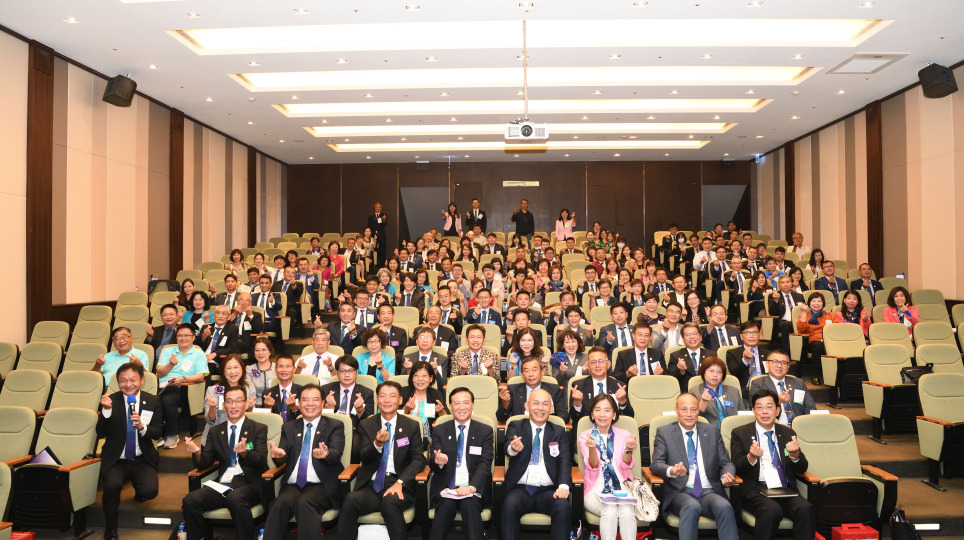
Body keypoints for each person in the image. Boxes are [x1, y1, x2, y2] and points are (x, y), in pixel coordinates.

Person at [337, 381, 426, 540]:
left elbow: (419, 459)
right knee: (350, 499)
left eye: (392, 396)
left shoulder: (411, 425)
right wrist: (377, 444)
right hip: (371, 485)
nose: (387, 400)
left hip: (398, 484)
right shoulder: (367, 424)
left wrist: (400, 482)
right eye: (383, 396)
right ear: (377, 399)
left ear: (400, 400)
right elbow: (364, 457)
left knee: (389, 502)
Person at [182, 386, 268, 540]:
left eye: (238, 401)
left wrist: (245, 453)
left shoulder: (258, 428)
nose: (234, 406)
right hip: (224, 483)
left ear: (246, 404)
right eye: (229, 401)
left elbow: (261, 460)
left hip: (249, 483)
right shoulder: (215, 431)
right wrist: (197, 453)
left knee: (235, 497)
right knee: (191, 500)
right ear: (224, 405)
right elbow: (205, 462)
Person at [651, 393, 739, 540]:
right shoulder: (665, 432)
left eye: (693, 409)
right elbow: (656, 464)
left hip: (708, 491)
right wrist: (672, 471)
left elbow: (726, 462)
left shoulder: (711, 431)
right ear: (676, 410)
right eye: (684, 409)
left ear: (698, 411)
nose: (689, 414)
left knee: (724, 506)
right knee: (691, 506)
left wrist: (726, 474)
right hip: (680, 492)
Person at [263, 384, 345, 540]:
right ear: (299, 403)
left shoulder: (335, 426)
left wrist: (326, 454)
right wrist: (277, 456)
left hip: (321, 485)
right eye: (305, 400)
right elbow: (282, 457)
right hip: (293, 485)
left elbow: (336, 454)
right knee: (279, 503)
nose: (310, 404)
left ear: (323, 403)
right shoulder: (288, 427)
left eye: (315, 399)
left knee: (305, 502)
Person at [730, 389, 815, 540]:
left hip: (785, 489)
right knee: (771, 510)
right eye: (760, 407)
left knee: (805, 508)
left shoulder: (788, 433)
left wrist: (795, 455)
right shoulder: (740, 433)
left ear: (777, 411)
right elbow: (736, 466)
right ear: (753, 410)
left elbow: (802, 468)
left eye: (769, 407)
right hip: (756, 489)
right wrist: (751, 457)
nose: (764, 411)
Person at [97, 362, 162, 540]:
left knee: (149, 491)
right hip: (117, 459)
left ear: (142, 380)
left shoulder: (153, 401)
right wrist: (106, 411)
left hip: (142, 458)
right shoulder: (110, 400)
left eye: (133, 380)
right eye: (123, 381)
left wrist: (142, 427)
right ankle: (110, 528)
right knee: (111, 487)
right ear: (118, 382)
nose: (128, 384)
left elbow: (158, 432)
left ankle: (139, 488)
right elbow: (100, 432)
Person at [502, 388, 572, 540]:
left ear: (551, 408)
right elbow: (508, 448)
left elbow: (565, 460)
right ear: (527, 406)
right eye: (535, 403)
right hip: (521, 489)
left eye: (545, 404)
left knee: (563, 506)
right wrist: (513, 448)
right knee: (509, 505)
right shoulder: (516, 425)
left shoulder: (558, 431)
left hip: (549, 490)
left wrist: (563, 486)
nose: (540, 408)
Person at [428, 387, 493, 540]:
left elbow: (485, 463)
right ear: (451, 406)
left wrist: (471, 487)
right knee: (446, 505)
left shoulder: (485, 431)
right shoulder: (440, 430)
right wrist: (439, 462)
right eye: (457, 403)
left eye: (466, 403)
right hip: (447, 488)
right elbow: (433, 461)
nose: (461, 407)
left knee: (469, 504)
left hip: (472, 487)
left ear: (473, 405)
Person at [578, 394, 638, 540]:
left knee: (627, 511)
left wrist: (629, 449)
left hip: (622, 489)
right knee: (610, 510)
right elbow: (593, 466)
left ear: (614, 414)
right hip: (595, 490)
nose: (602, 414)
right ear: (592, 414)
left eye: (607, 410)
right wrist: (592, 448)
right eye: (598, 410)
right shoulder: (585, 436)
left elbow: (625, 465)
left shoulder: (624, 435)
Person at [155, 324, 208, 448]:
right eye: (180, 335)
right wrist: (171, 364)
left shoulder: (198, 353)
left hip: (184, 388)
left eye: (186, 335)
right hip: (162, 386)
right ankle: (157, 435)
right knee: (150, 400)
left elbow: (200, 376)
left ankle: (172, 434)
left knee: (167, 400)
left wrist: (183, 379)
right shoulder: (167, 351)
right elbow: (159, 373)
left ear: (193, 337)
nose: (183, 338)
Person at [321, 356, 375, 463]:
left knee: (356, 448)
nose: (347, 375)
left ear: (356, 372)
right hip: (330, 429)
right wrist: (329, 408)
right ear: (337, 373)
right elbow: (317, 416)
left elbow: (370, 422)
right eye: (342, 371)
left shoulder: (366, 392)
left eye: (350, 371)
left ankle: (352, 471)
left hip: (354, 431)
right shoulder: (326, 389)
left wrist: (360, 410)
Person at [749, 351, 816, 425]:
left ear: (788, 367)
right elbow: (755, 408)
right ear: (767, 364)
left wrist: (807, 424)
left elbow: (811, 407)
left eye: (783, 363)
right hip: (773, 425)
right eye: (775, 362)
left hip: (798, 425)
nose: (779, 366)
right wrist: (777, 401)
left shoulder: (798, 382)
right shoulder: (758, 383)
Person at [570, 347, 633, 423]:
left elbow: (630, 417)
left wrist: (622, 402)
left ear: (608, 364)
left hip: (613, 427)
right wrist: (577, 403)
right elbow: (574, 418)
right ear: (588, 366)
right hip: (587, 427)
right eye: (593, 362)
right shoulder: (578, 386)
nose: (597, 365)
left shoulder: (619, 386)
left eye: (601, 361)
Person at [202, 355, 256, 443]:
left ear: (242, 369)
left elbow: (251, 418)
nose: (233, 371)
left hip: (242, 436)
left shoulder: (249, 387)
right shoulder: (213, 390)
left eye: (236, 367)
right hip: (217, 437)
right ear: (223, 371)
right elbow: (210, 421)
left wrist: (250, 407)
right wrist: (212, 407)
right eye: (228, 368)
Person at [498, 356, 569, 423]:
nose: (531, 374)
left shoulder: (553, 389)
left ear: (542, 373)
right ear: (522, 375)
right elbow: (501, 418)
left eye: (534, 370)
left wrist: (543, 423)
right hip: (520, 430)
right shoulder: (513, 390)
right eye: (526, 371)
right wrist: (505, 403)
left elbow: (564, 416)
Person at [401, 361, 447, 440]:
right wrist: (406, 409)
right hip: (405, 437)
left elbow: (447, 420)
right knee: (400, 445)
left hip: (428, 439)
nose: (420, 379)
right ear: (412, 378)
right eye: (416, 375)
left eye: (424, 376)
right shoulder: (404, 392)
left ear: (431, 378)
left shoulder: (435, 395)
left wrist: (441, 412)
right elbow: (392, 418)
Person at [692, 356, 744, 427]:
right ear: (703, 372)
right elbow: (693, 418)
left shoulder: (734, 391)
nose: (715, 375)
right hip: (707, 430)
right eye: (711, 371)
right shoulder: (694, 392)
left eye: (719, 372)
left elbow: (742, 415)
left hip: (733, 429)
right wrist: (703, 402)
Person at [795, 292, 835, 380]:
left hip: (829, 341)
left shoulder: (830, 315)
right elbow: (801, 330)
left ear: (823, 303)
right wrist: (803, 312)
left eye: (819, 301)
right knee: (818, 345)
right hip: (812, 342)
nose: (816, 303)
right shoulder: (805, 314)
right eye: (813, 301)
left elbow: (836, 329)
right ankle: (815, 374)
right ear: (809, 303)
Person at [725, 322, 771, 396]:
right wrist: (745, 360)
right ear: (741, 336)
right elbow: (734, 374)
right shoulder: (732, 353)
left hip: (765, 390)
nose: (751, 336)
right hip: (745, 391)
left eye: (754, 332)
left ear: (759, 335)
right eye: (747, 333)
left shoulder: (768, 354)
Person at [667, 323, 713, 393]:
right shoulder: (675, 356)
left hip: (708, 392)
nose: (692, 337)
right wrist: (681, 371)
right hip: (686, 393)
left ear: (700, 337)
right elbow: (671, 381)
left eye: (694, 334)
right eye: (687, 335)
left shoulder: (711, 355)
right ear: (683, 339)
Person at [196, 305, 241, 374]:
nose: (220, 316)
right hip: (202, 359)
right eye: (218, 313)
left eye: (224, 313)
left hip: (217, 361)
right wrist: (204, 335)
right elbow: (196, 345)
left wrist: (215, 353)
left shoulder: (232, 329)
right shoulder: (206, 327)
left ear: (229, 317)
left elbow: (232, 348)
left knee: (205, 369)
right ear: (214, 316)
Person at [768, 275, 806, 353]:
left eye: (787, 282)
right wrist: (775, 300)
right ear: (779, 285)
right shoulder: (773, 295)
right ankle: (787, 352)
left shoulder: (799, 296)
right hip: (782, 322)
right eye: (783, 283)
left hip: (797, 321)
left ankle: (802, 353)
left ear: (791, 284)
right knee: (787, 324)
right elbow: (772, 313)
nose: (785, 284)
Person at [263, 355, 303, 423]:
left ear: (294, 369)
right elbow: (265, 421)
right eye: (280, 366)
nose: (284, 370)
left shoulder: (302, 392)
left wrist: (294, 408)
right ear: (275, 370)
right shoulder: (267, 394)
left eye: (288, 366)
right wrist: (268, 407)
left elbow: (306, 417)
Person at [247, 337, 276, 406]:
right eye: (257, 350)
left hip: (275, 405)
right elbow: (249, 391)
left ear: (270, 352)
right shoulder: (249, 369)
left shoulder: (277, 368)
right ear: (254, 353)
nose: (260, 353)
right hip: (255, 406)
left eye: (264, 349)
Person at [367, 202, 388, 266]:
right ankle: (373, 264)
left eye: (379, 207)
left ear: (381, 208)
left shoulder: (383, 215)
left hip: (381, 235)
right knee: (374, 249)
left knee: (382, 250)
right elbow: (369, 226)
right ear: (374, 208)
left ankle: (382, 264)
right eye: (376, 207)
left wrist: (384, 220)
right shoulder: (371, 216)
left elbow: (385, 224)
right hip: (373, 235)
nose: (378, 208)